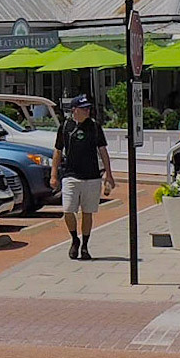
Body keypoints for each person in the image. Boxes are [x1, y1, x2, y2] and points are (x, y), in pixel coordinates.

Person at [52, 94, 113, 261]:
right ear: (74, 110)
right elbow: (58, 151)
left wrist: (109, 174)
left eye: (88, 108)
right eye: (84, 108)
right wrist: (53, 175)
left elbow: (103, 151)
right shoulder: (65, 127)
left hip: (92, 176)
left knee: (87, 212)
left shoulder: (94, 127)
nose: (87, 111)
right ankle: (74, 239)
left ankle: (85, 245)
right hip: (71, 175)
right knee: (68, 210)